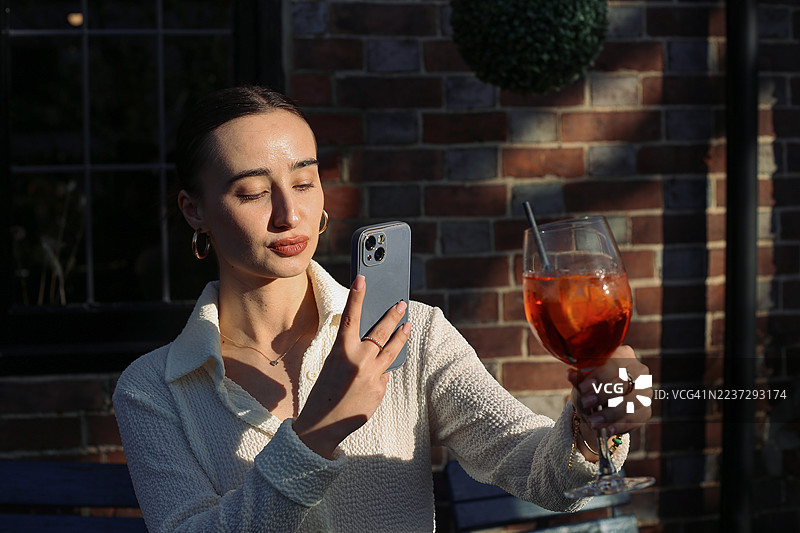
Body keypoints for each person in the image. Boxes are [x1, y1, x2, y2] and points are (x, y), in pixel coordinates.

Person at [113, 85, 653, 532]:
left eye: (304, 181)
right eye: (253, 192)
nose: (289, 213)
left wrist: (591, 425)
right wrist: (317, 432)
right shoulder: (155, 388)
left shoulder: (411, 333)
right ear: (194, 210)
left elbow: (532, 468)